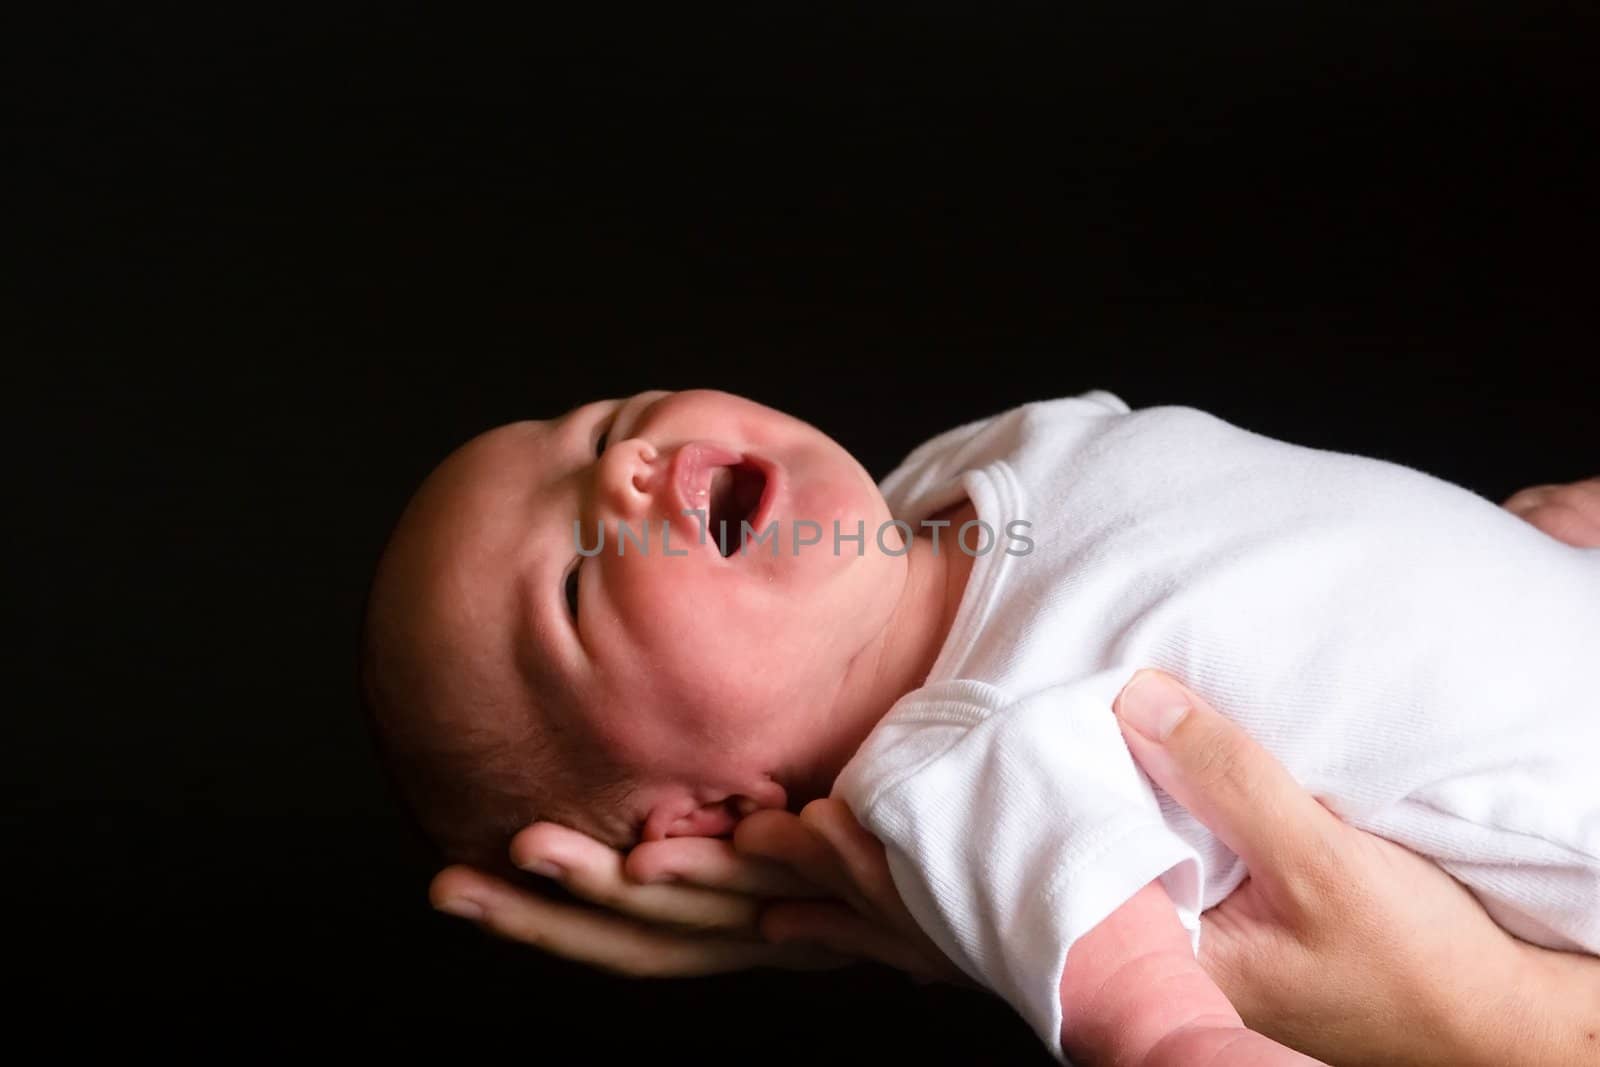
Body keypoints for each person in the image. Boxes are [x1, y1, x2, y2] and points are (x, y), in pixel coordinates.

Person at [363, 388, 1599, 1064]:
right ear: (708, 808)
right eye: (574, 581)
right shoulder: (950, 767)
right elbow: (1147, 1010)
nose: (621, 470)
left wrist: (1502, 557)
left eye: (594, 425)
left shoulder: (963, 473)